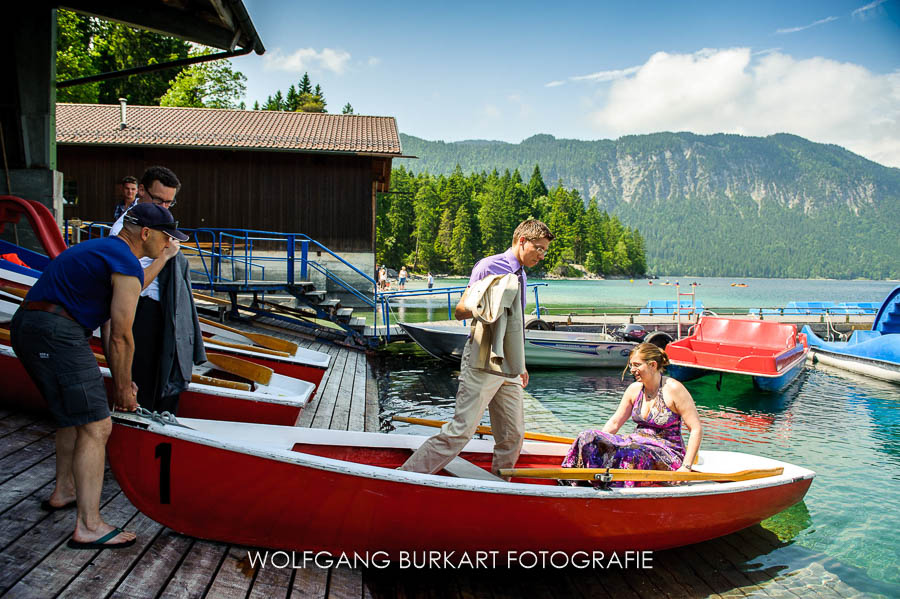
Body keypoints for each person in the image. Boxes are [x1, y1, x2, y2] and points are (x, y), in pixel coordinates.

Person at [10, 203, 187, 549]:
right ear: (147, 234)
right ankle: (89, 526)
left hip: (31, 325)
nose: (169, 242)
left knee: (71, 418)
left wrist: (122, 378)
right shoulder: (122, 260)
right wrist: (123, 390)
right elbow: (122, 335)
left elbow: (110, 329)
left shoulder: (105, 251)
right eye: (167, 236)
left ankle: (64, 490)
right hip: (57, 331)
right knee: (97, 425)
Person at [399, 219, 554, 476]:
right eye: (539, 248)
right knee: (461, 432)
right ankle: (405, 476)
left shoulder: (522, 275)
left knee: (513, 436)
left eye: (545, 250)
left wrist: (521, 364)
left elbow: (515, 326)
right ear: (522, 241)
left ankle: (497, 488)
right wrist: (486, 303)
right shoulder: (489, 266)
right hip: (483, 356)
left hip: (510, 364)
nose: (542, 255)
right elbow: (460, 311)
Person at [109, 166, 206, 414]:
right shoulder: (125, 229)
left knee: (163, 377)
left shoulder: (157, 220)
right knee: (146, 382)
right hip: (140, 311)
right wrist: (164, 257)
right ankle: (142, 426)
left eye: (169, 203)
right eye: (158, 200)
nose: (163, 207)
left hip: (160, 308)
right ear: (141, 191)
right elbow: (131, 284)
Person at [561, 343, 703, 487]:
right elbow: (615, 422)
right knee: (587, 436)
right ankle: (577, 483)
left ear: (652, 365)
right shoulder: (634, 390)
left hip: (666, 452)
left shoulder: (674, 389)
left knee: (631, 453)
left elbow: (696, 429)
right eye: (631, 366)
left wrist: (686, 466)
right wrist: (600, 444)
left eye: (637, 365)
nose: (632, 370)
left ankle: (613, 487)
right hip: (636, 442)